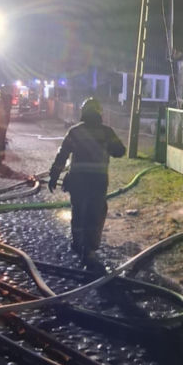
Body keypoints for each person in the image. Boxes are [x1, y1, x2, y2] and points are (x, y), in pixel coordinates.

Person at [48, 97, 125, 269]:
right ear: (99, 113)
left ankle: (77, 243)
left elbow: (62, 155)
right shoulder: (107, 132)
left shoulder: (75, 132)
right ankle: (89, 250)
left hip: (77, 180)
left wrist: (54, 176)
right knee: (95, 214)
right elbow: (120, 151)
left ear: (83, 112)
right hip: (98, 181)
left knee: (78, 211)